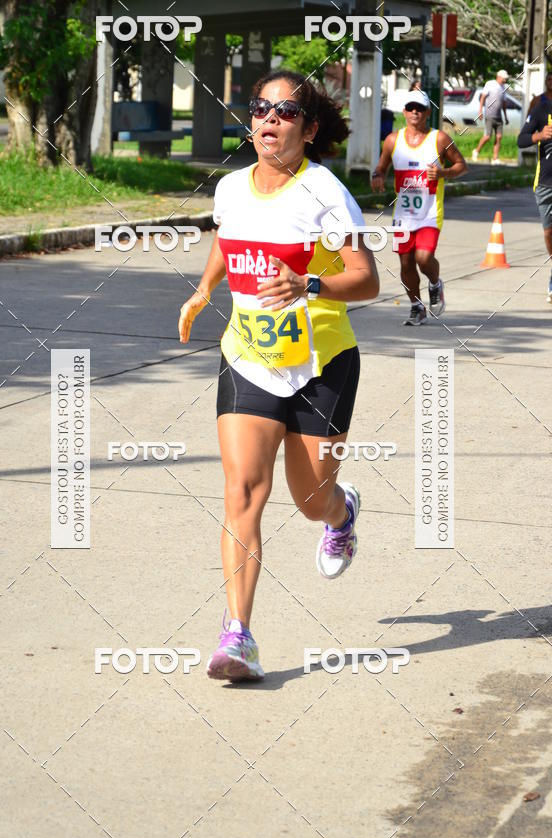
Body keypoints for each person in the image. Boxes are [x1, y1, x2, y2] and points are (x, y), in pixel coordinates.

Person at [178, 69, 379, 681]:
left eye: (285, 112)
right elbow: (227, 239)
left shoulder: (325, 193)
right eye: (260, 108)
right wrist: (204, 289)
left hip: (322, 364)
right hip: (249, 358)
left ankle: (341, 513)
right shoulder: (233, 189)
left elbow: (367, 280)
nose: (269, 119)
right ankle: (237, 636)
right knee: (242, 494)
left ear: (307, 129)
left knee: (310, 498)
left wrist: (307, 283)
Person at [371, 89, 467, 325]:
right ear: (404, 111)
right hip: (403, 216)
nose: (415, 112)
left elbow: (461, 165)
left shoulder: (440, 139)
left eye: (420, 108)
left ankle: (435, 284)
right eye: (411, 107)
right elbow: (381, 167)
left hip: (430, 213)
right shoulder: (393, 140)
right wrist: (378, 176)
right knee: (405, 262)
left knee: (424, 258)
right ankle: (416, 306)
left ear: (427, 112)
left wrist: (443, 172)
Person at [517, 74, 552, 302]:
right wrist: (540, 135)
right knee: (549, 232)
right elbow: (521, 140)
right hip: (546, 182)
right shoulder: (540, 109)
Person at [471, 70, 510, 165]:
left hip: (499, 116)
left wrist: (505, 117)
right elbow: (483, 97)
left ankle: (495, 158)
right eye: (504, 78)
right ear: (499, 77)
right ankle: (476, 151)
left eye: (506, 78)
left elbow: (504, 103)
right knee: (487, 136)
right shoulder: (490, 84)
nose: (505, 80)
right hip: (489, 115)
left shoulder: (503, 88)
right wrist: (480, 111)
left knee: (499, 137)